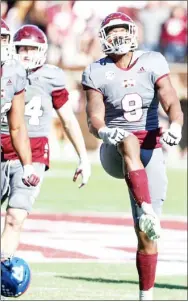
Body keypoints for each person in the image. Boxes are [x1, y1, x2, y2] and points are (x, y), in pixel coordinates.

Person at [82, 12, 183, 301]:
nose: (117, 36)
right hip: (115, 148)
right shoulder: (96, 71)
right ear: (103, 38)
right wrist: (104, 133)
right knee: (127, 138)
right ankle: (146, 209)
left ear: (132, 31)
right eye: (110, 32)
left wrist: (175, 124)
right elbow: (94, 117)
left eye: (120, 30)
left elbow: (171, 100)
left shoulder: (153, 61)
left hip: (149, 150)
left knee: (147, 236)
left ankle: (145, 297)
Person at [1, 24, 91, 267]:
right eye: (22, 49)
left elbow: (68, 119)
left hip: (35, 152)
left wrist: (83, 157)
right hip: (2, 147)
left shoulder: (52, 76)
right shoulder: (6, 71)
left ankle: (2, 268)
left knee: (15, 217)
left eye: (32, 48)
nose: (27, 54)